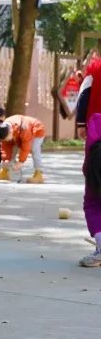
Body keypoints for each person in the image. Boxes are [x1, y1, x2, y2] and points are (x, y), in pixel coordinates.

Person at [76, 57, 101, 266]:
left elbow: (84, 93)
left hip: (98, 130)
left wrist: (81, 123)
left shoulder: (95, 67)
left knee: (93, 196)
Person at [0, 114, 46, 183]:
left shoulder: (24, 127)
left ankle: (39, 174)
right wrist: (6, 159)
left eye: (7, 138)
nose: (6, 140)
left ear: (10, 131)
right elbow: (5, 146)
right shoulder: (3, 129)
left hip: (36, 130)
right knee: (11, 150)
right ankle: (4, 172)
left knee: (34, 148)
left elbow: (26, 146)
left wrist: (21, 162)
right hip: (19, 134)